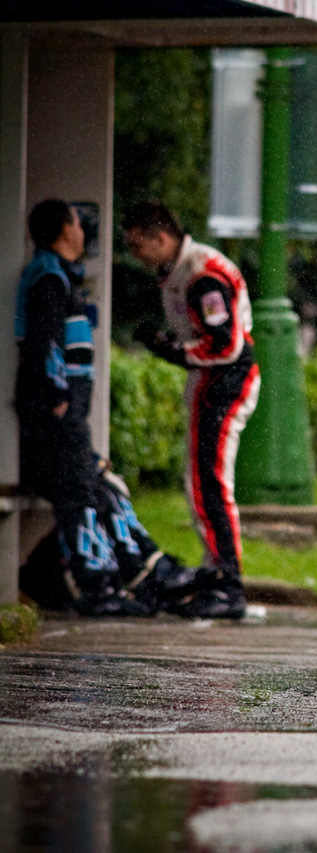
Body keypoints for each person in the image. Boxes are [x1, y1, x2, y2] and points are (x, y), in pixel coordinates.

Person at [123, 202, 259, 619]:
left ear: (160, 238)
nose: (135, 255)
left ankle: (228, 582)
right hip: (212, 382)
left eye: (137, 245)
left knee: (210, 483)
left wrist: (171, 350)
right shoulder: (181, 272)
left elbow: (225, 345)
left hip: (224, 382)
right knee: (200, 481)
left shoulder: (202, 275)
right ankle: (214, 571)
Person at [15, 200, 147, 615]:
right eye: (77, 220)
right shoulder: (49, 278)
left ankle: (72, 580)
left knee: (88, 490)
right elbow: (44, 343)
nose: (83, 228)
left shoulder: (59, 275)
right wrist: (58, 401)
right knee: (78, 496)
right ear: (65, 230)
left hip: (66, 415)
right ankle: (97, 588)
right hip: (56, 416)